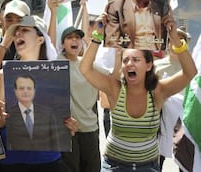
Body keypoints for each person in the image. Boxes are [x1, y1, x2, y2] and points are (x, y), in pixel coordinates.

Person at [79, 13, 197, 171]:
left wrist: (175, 38)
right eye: (126, 60)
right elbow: (85, 69)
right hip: (114, 165)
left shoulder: (158, 91)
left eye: (136, 60)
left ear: (148, 65)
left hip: (147, 166)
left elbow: (190, 72)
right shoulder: (115, 88)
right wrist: (97, 36)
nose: (129, 64)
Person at [0, 15, 78, 172]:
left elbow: (61, 121)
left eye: (24, 30)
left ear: (40, 39)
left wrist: (68, 128)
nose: (18, 34)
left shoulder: (56, 75)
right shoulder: (3, 75)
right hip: (12, 163)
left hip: (48, 162)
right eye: (16, 32)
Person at [58, 26, 101, 172]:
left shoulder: (88, 64)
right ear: (62, 44)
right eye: (70, 37)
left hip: (89, 128)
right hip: (67, 130)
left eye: (78, 37)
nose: (74, 40)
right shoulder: (56, 64)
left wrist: (119, 52)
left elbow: (112, 76)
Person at [154, 28, 189, 170]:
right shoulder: (157, 66)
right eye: (172, 39)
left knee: (185, 160)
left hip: (183, 122)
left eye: (181, 39)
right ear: (167, 43)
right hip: (161, 120)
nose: (175, 42)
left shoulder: (191, 67)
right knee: (157, 161)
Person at [6, 74, 59, 151]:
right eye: (21, 88)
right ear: (15, 91)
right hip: (19, 159)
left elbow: (55, 143)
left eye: (29, 88)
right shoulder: (8, 115)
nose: (25, 91)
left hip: (45, 160)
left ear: (34, 90)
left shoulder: (48, 113)